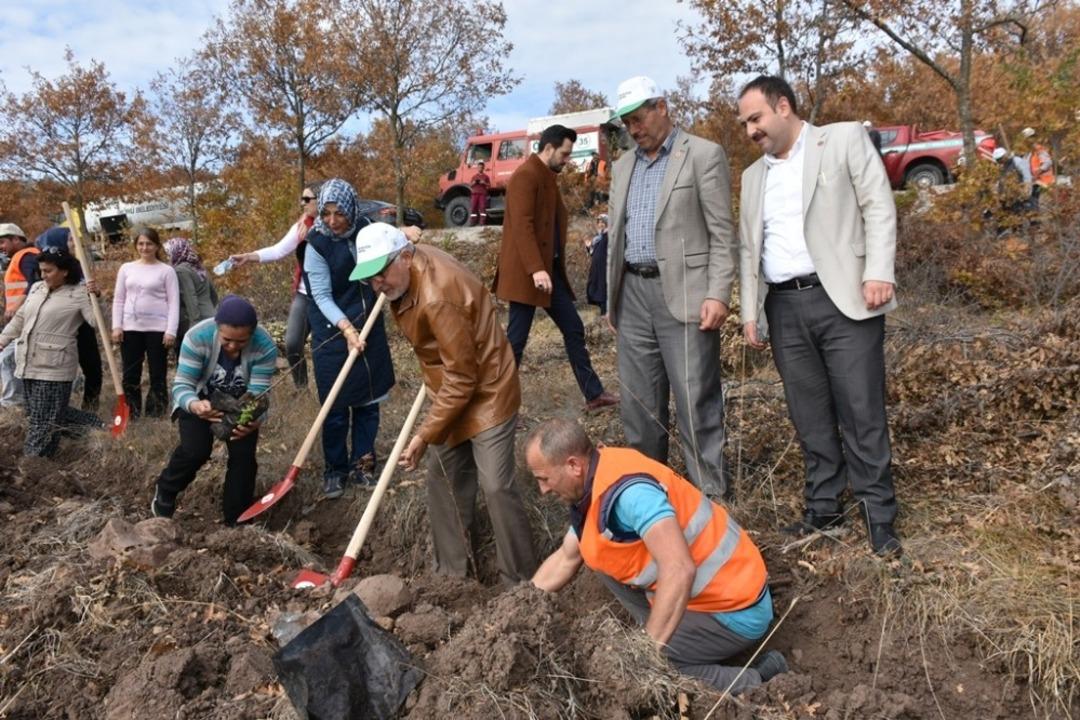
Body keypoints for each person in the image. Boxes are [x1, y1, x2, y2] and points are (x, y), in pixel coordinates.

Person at [736, 75, 902, 556]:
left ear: (782, 107)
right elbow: (750, 246)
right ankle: (825, 507)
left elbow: (877, 205)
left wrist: (878, 271)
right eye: (745, 122)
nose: (750, 130)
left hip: (846, 299)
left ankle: (879, 516)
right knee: (808, 415)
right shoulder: (752, 177)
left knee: (861, 410)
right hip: (783, 308)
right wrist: (751, 310)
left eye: (755, 118)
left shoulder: (843, 138)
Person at [526, 418, 787, 694]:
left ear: (573, 466)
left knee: (650, 666)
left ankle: (760, 680)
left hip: (736, 608)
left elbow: (679, 569)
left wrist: (645, 652)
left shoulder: (631, 497)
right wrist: (519, 604)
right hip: (710, 595)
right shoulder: (598, 476)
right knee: (596, 553)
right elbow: (566, 558)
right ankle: (676, 637)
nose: (543, 490)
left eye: (543, 478)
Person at [350, 223, 537, 583]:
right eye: (369, 279)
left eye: (381, 274)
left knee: (496, 486)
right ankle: (451, 578)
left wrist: (423, 436)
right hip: (450, 388)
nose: (377, 286)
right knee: (444, 480)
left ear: (404, 257)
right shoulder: (405, 273)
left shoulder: (437, 296)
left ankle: (521, 582)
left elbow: (464, 379)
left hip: (487, 391)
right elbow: (450, 369)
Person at [606, 75, 738, 497]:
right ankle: (650, 503)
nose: (634, 129)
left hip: (687, 296)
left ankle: (712, 504)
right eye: (627, 123)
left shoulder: (702, 154)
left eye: (639, 118)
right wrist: (613, 299)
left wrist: (718, 292)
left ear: (661, 107)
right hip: (633, 296)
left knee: (696, 402)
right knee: (640, 409)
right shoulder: (624, 165)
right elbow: (616, 237)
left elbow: (722, 232)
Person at [493, 124, 618, 413]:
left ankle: (594, 394)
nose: (567, 160)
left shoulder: (547, 176)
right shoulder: (525, 176)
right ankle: (496, 405)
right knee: (516, 342)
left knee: (573, 328)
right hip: (529, 274)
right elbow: (522, 226)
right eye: (564, 153)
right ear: (548, 148)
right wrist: (536, 269)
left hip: (549, 274)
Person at [302, 178, 399, 498]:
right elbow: (320, 295)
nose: (331, 220)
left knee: (368, 401)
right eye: (326, 213)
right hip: (332, 330)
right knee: (335, 404)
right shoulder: (316, 244)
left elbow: (390, 257)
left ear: (352, 209)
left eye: (339, 213)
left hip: (370, 322)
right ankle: (335, 469)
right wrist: (346, 329)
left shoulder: (367, 229)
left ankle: (362, 465)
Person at [151, 295, 278, 525]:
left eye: (241, 342)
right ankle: (166, 490)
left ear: (252, 333)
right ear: (217, 328)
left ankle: (236, 519)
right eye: (227, 339)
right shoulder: (197, 337)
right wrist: (195, 406)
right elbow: (182, 385)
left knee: (243, 458)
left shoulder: (265, 346)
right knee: (196, 450)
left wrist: (252, 422)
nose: (232, 347)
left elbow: (259, 395)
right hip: (200, 398)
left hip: (241, 404)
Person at [0, 247, 103, 456]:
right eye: (41, 270)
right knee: (38, 411)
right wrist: (3, 339)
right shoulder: (38, 288)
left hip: (55, 364)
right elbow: (21, 318)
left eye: (48, 271)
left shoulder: (79, 293)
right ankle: (96, 427)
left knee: (42, 418)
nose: (43, 275)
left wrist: (96, 297)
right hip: (28, 361)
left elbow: (96, 321)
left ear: (64, 271)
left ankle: (35, 459)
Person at [229, 183, 321, 387]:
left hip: (329, 295)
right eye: (302, 199)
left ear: (320, 200)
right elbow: (278, 250)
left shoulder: (335, 227)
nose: (302, 203)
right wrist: (249, 256)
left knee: (325, 347)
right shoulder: (301, 226)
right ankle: (302, 388)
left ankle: (332, 390)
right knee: (292, 343)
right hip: (304, 294)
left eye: (307, 199)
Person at [112, 227, 180, 418]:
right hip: (130, 328)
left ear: (157, 246)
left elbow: (173, 302)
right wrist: (117, 326)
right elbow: (119, 299)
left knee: (157, 373)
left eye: (149, 243)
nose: (145, 247)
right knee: (131, 373)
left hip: (158, 330)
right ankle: (131, 413)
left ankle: (155, 412)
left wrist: (171, 331)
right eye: (141, 243)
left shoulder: (166, 271)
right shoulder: (126, 268)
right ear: (136, 246)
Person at [35, 227, 103, 411]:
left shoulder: (79, 266)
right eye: (71, 240)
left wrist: (95, 293)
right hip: (60, 329)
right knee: (60, 373)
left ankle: (89, 410)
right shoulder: (45, 268)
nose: (75, 243)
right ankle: (58, 413)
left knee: (93, 370)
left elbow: (89, 303)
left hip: (83, 326)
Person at [0, 223, 39, 408]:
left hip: (25, 319)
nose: (1, 247)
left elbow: (36, 283)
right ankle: (18, 401)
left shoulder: (27, 256)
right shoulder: (20, 257)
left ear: (16, 239)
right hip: (21, 319)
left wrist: (16, 306)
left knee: (8, 358)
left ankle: (13, 403)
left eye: (2, 242)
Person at [164, 237, 218, 356]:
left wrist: (194, 326)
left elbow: (190, 298)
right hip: (211, 316)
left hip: (193, 321)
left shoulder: (180, 271)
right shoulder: (198, 267)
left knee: (191, 361)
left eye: (168, 253)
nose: (168, 257)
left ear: (176, 252)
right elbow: (214, 295)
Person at [1021, 127, 1054, 210]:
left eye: (1029, 138)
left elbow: (1048, 162)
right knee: (1032, 203)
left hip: (1043, 182)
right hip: (1035, 182)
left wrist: (1038, 172)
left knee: (1037, 203)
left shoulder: (1039, 150)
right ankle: (1035, 220)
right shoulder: (1028, 153)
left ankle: (1036, 220)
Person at [585, 214, 609, 317]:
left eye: (603, 222)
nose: (600, 224)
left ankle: (606, 315)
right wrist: (589, 247)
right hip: (596, 270)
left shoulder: (608, 236)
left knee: (603, 292)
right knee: (594, 289)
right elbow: (593, 253)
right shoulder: (597, 238)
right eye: (599, 222)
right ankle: (602, 314)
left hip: (604, 270)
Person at [469, 161, 491, 226]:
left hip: (482, 194)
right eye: (479, 167)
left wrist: (484, 183)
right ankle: (473, 222)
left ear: (483, 168)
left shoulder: (486, 177)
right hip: (474, 194)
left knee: (482, 208)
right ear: (477, 168)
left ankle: (482, 222)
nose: (480, 168)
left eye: (481, 167)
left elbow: (489, 185)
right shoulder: (474, 176)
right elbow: (470, 185)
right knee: (473, 208)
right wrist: (474, 182)